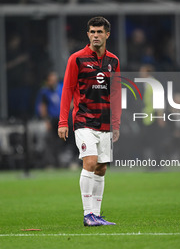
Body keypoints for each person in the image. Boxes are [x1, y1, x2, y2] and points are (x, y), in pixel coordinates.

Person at [58, 16, 121, 226]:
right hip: (84, 120)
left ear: (107, 34)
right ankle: (87, 215)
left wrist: (116, 124)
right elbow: (67, 90)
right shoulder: (76, 59)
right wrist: (62, 122)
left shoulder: (114, 61)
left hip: (105, 123)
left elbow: (116, 94)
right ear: (88, 34)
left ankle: (96, 214)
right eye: (92, 32)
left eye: (99, 32)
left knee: (102, 167)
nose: (95, 35)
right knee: (90, 162)